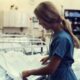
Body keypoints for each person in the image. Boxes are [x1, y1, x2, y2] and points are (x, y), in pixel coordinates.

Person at [22, 1, 80, 80]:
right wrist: (50, 57)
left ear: (47, 18)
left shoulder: (62, 38)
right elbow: (62, 55)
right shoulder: (58, 35)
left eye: (39, 19)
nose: (39, 23)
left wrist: (29, 72)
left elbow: (51, 69)